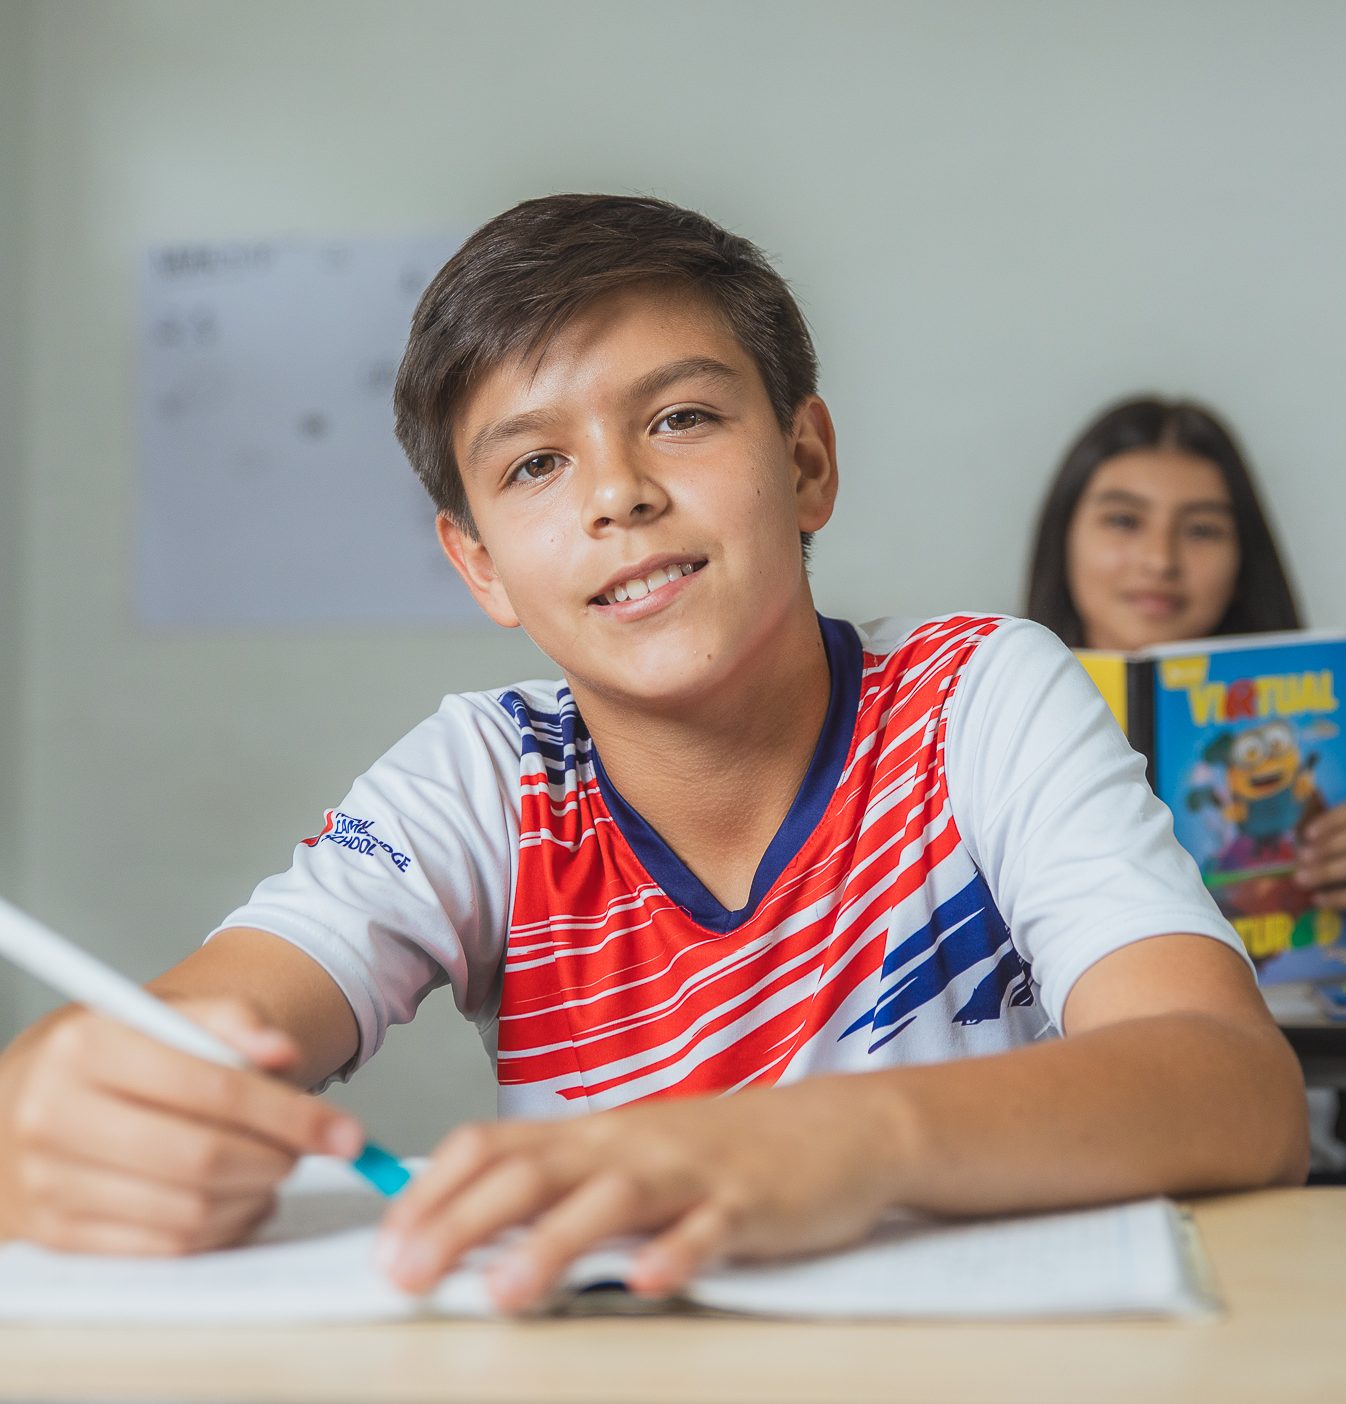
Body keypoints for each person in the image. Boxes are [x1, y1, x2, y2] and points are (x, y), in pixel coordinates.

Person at [0, 199, 1307, 1313]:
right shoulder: (480, 779)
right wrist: (51, 1114)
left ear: (804, 463)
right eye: (532, 466)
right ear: (479, 567)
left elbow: (1230, 1087)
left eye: (679, 418)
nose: (614, 492)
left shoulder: (977, 695)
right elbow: (203, 1025)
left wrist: (832, 1140)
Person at [1024, 394, 1345, 1174]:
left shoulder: (1322, 737)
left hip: (1288, 1107)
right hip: (1052, 1119)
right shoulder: (985, 718)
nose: (1160, 560)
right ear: (1065, 537)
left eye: (1201, 528)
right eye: (1124, 520)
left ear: (1243, 556)